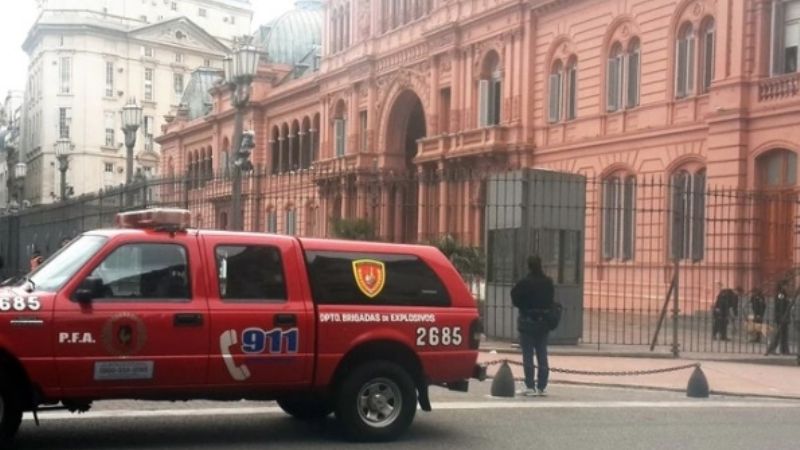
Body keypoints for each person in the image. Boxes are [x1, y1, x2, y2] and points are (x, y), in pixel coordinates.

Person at [511, 255, 554, 397]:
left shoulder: (524, 282)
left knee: (528, 354)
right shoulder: (548, 282)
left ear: (528, 266)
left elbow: (515, 297)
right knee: (542, 352)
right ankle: (542, 386)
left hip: (527, 320)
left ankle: (529, 385)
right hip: (543, 322)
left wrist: (524, 306)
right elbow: (551, 300)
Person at [774, 283, 791, 355]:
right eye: (786, 285)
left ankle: (784, 350)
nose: (788, 287)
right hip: (781, 317)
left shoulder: (784, 294)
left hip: (784, 316)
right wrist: (781, 316)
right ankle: (774, 348)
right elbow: (780, 305)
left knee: (784, 334)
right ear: (782, 286)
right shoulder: (780, 294)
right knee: (779, 334)